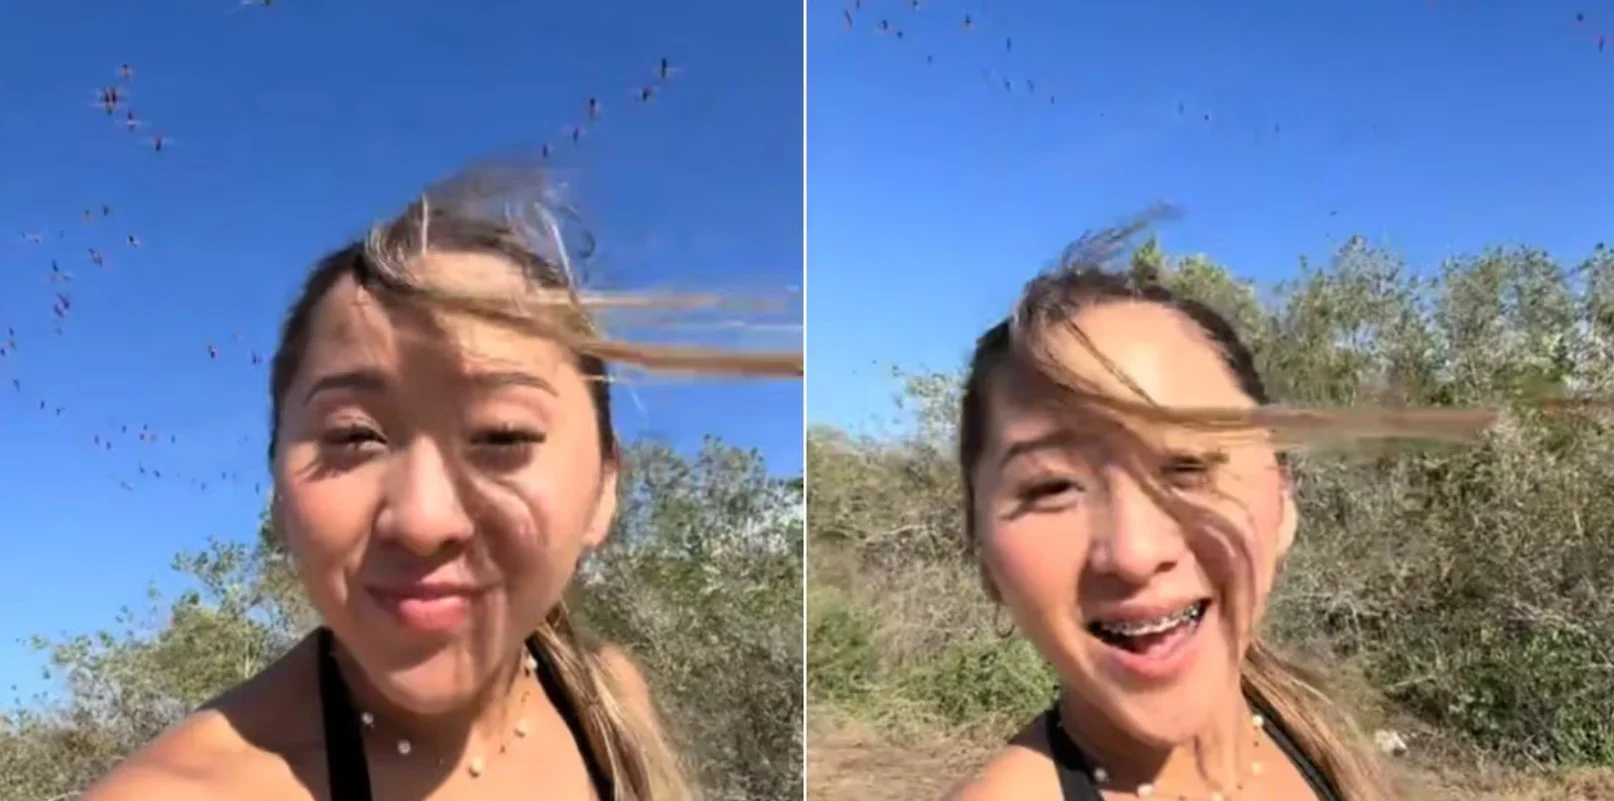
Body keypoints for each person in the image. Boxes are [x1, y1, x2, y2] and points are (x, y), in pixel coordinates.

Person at [83, 172, 801, 801]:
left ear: (604, 488)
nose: (424, 520)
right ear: (277, 489)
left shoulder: (610, 701)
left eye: (503, 437)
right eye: (353, 436)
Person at [942, 224, 1476, 801]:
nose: (1134, 552)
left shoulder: (1306, 730)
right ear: (985, 560)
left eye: (1189, 466)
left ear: (1284, 500)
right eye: (1052, 487)